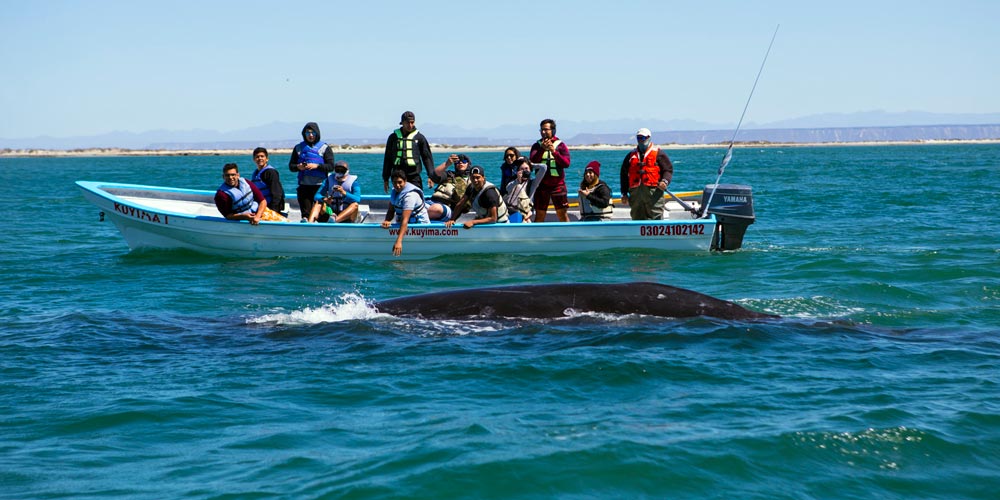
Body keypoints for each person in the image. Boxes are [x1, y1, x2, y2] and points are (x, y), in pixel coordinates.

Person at [620, 127, 674, 220]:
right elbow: (623, 175)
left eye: (643, 138)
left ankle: (656, 234)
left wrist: (665, 181)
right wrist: (624, 193)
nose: (641, 140)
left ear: (649, 138)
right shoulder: (630, 156)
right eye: (639, 138)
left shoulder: (658, 154)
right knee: (636, 216)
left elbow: (668, 170)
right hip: (636, 194)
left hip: (654, 193)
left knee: (656, 216)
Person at [289, 122, 335, 221]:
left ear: (317, 133)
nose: (310, 135)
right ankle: (306, 225)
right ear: (304, 134)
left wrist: (317, 166)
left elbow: (331, 166)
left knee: (322, 213)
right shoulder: (298, 148)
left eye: (313, 133)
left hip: (321, 186)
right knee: (306, 213)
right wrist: (298, 167)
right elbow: (291, 166)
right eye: (308, 133)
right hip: (304, 186)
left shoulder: (325, 148)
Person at [382, 169, 434, 256]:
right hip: (405, 224)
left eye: (400, 182)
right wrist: (387, 220)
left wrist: (398, 241)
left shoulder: (410, 196)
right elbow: (391, 210)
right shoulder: (394, 192)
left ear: (405, 181)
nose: (397, 185)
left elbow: (405, 220)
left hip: (419, 226)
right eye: (395, 183)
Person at [215, 163, 287, 224]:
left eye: (233, 175)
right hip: (243, 218)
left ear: (238, 175)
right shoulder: (221, 195)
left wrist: (258, 216)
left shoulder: (246, 182)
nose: (230, 177)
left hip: (259, 212)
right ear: (223, 177)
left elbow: (262, 201)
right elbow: (228, 216)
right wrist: (244, 216)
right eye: (227, 175)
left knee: (285, 222)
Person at [529, 118, 571, 222]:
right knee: (540, 215)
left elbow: (566, 163)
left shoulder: (561, 145)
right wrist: (542, 149)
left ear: (553, 130)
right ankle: (537, 237)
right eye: (541, 130)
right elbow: (532, 162)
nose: (543, 132)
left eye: (546, 129)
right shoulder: (536, 146)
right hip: (541, 186)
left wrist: (554, 151)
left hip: (558, 186)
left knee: (562, 214)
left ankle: (567, 235)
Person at [382, 111, 434, 193]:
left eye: (412, 122)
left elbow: (427, 157)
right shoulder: (393, 137)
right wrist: (386, 178)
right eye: (407, 123)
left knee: (417, 196)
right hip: (398, 176)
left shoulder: (420, 137)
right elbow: (388, 158)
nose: (410, 125)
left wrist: (431, 175)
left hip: (414, 176)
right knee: (398, 199)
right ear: (402, 123)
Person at [445, 166, 509, 229]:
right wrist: (452, 219)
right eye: (473, 178)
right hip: (484, 219)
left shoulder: (490, 193)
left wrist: (473, 222)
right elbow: (460, 204)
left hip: (499, 223)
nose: (475, 180)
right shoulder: (471, 187)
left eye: (478, 177)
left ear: (483, 178)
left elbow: (493, 218)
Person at [249, 147, 286, 215]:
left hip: (271, 207)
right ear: (254, 159)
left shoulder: (271, 172)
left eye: (262, 156)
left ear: (267, 159)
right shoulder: (256, 174)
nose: (260, 158)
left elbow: (277, 192)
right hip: (261, 206)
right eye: (257, 157)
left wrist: (273, 211)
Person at [503, 158, 533, 223]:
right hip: (512, 210)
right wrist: (517, 181)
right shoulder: (513, 182)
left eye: (526, 169)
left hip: (526, 210)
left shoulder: (532, 183)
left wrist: (530, 164)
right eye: (522, 169)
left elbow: (543, 168)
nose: (524, 171)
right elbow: (508, 189)